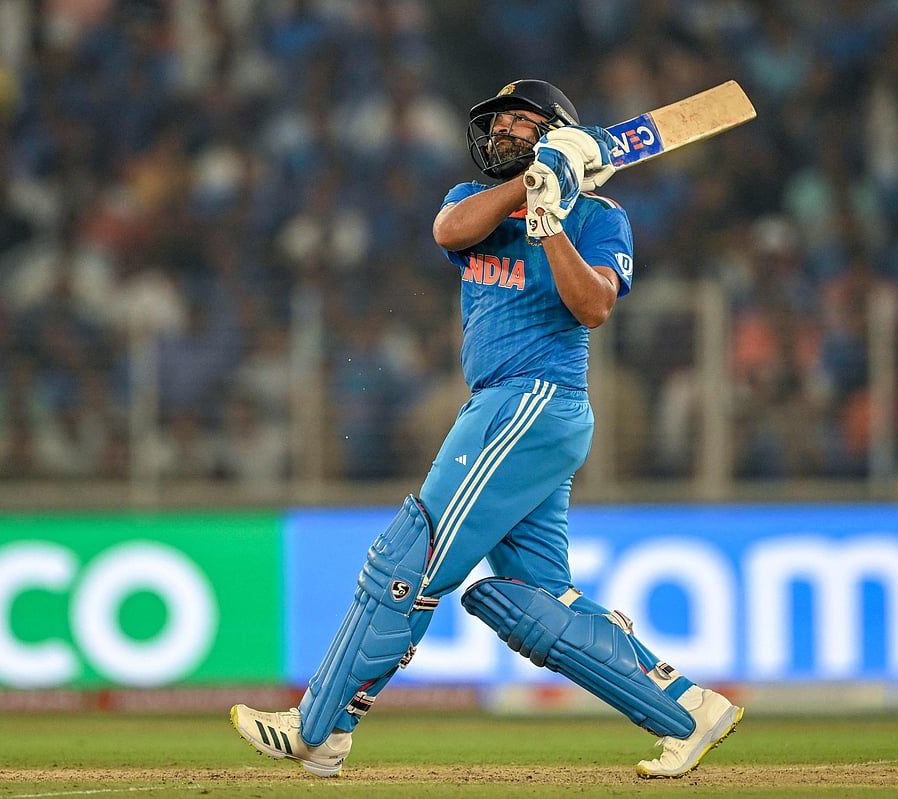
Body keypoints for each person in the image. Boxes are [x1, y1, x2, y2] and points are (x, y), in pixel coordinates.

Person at [230, 79, 743, 779]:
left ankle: (322, 726)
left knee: (410, 558)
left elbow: (592, 307)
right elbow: (449, 233)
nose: (502, 129)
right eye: (497, 120)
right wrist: (531, 186)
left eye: (521, 122)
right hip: (504, 407)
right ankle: (689, 712)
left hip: (535, 402)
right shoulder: (469, 200)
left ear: (557, 134)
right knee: (529, 600)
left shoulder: (601, 217)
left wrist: (552, 218)